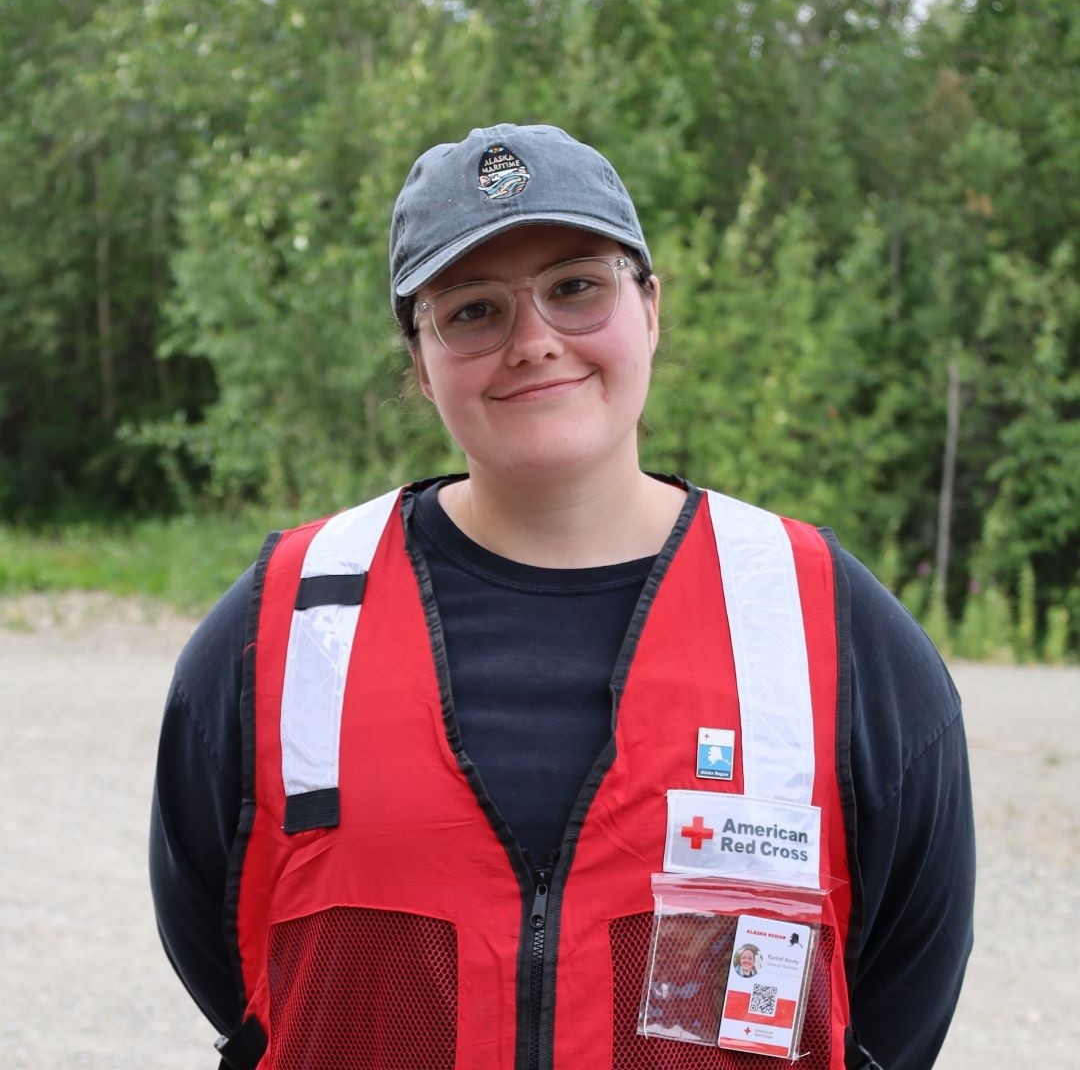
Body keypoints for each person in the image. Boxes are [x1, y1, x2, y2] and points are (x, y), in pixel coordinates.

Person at [150, 123, 975, 1070]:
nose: (534, 341)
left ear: (651, 309)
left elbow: (897, 1002)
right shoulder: (290, 625)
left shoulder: (816, 618)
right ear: (420, 362)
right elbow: (238, 969)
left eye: (577, 287)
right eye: (472, 311)